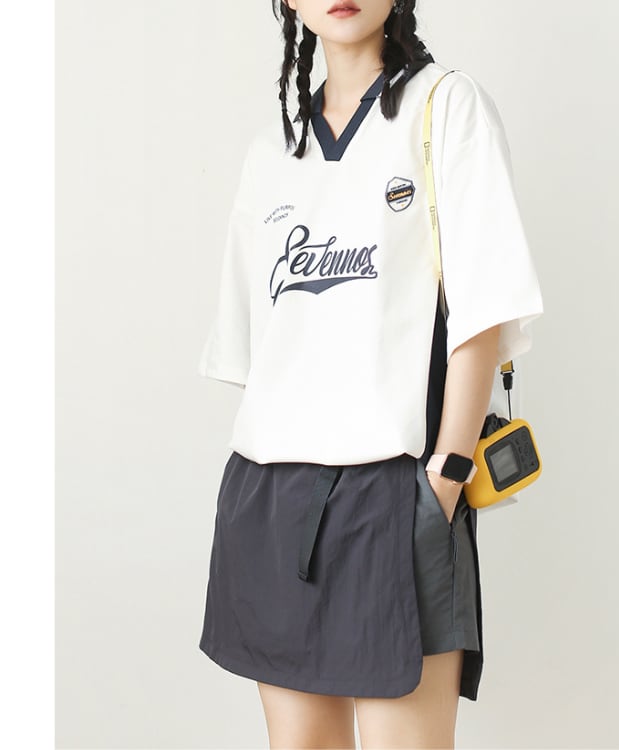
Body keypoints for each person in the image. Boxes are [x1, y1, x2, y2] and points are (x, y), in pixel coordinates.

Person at [196, 0, 544, 747]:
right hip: (272, 496)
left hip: (399, 492)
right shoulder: (273, 149)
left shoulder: (445, 106)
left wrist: (446, 476)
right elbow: (261, 350)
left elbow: (482, 311)